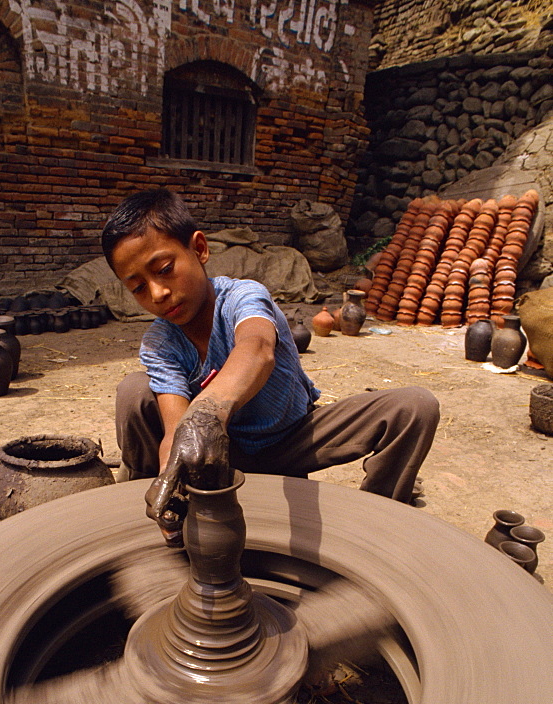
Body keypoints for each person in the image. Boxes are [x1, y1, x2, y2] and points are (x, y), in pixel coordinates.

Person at [102, 188, 440, 546]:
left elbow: (258, 347)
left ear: (199, 249)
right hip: (220, 452)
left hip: (293, 438)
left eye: (164, 270)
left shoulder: (243, 297)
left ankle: (374, 525)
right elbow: (175, 430)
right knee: (135, 390)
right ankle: (145, 502)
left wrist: (206, 412)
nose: (157, 293)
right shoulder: (161, 342)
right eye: (138, 287)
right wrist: (171, 473)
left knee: (415, 407)